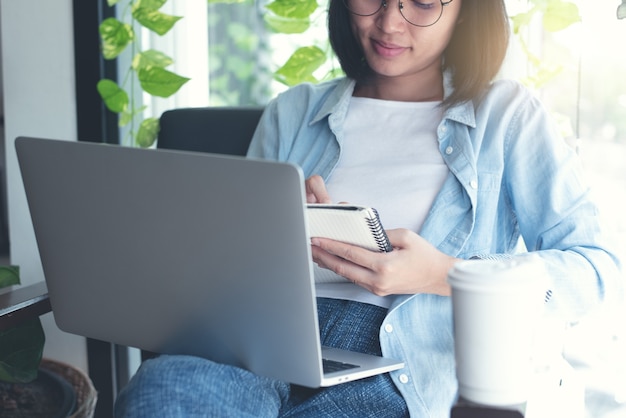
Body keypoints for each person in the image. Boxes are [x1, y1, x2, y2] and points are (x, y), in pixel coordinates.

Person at [115, 0, 622, 416]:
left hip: (399, 362)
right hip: (267, 344)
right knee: (165, 391)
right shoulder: (294, 112)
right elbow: (229, 268)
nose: (389, 22)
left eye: (422, 3)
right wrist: (276, 235)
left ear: (466, 11)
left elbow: (596, 269)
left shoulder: (507, 117)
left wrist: (443, 274)